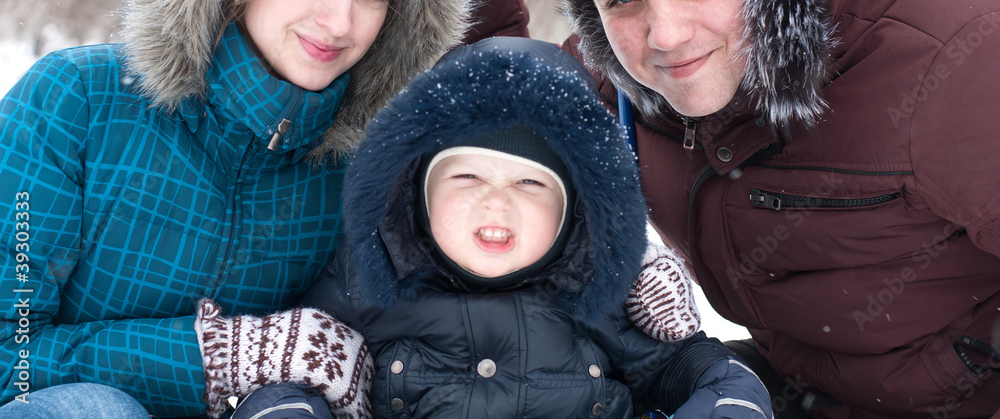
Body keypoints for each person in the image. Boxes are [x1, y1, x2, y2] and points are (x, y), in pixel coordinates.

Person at [421, 0, 1000, 419]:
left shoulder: (949, 58)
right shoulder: (628, 75)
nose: (665, 36)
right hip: (783, 386)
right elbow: (499, 115)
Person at [0, 0, 527, 418]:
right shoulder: (78, 102)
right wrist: (226, 357)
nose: (339, 22)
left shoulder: (360, 159)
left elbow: (505, 127)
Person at [209, 35, 771, 419]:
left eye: (530, 185)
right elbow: (296, 377)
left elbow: (701, 370)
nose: (495, 205)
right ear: (419, 188)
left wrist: (730, 402)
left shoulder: (601, 290)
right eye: (468, 176)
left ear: (576, 209)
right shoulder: (368, 275)